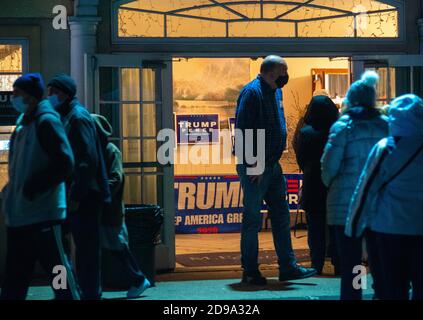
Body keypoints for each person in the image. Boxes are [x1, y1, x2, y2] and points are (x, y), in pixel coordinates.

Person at [235, 55, 316, 285]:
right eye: (284, 71)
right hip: (256, 167)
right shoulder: (252, 93)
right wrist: (255, 165)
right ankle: (250, 270)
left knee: (281, 216)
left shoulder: (276, 91)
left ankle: (288, 267)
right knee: (252, 219)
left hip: (272, 165)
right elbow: (243, 132)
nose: (286, 75)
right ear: (272, 73)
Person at [0, 73, 78, 300]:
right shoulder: (26, 122)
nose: (13, 98)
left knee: (58, 272)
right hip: (23, 215)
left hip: (43, 215)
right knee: (16, 276)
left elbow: (65, 162)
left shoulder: (46, 121)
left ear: (31, 97)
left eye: (17, 94)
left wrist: (33, 187)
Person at [346, 94, 423, 300]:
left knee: (392, 287)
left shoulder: (386, 148)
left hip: (389, 228)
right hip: (419, 228)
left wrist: (353, 228)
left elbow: (364, 190)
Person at [321, 71, 389, 300]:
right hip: (378, 205)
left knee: (352, 260)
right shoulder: (386, 126)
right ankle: (382, 293)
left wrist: (330, 184)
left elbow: (329, 167)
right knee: (379, 259)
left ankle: (354, 294)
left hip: (345, 205)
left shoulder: (343, 127)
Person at [47, 74, 111, 300]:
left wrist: (75, 194)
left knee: (86, 252)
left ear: (63, 93)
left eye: (52, 92)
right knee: (66, 249)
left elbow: (86, 160)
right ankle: (68, 291)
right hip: (74, 194)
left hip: (83, 196)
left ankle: (89, 293)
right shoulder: (67, 115)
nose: (49, 97)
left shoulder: (77, 117)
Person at [91, 114, 151, 299]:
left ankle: (138, 279)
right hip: (103, 209)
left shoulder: (110, 150)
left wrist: (96, 193)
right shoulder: (99, 150)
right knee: (108, 247)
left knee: (117, 246)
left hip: (110, 210)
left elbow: (116, 178)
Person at [295, 95, 340, 275]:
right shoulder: (337, 131)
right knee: (335, 227)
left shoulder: (305, 133)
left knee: (315, 228)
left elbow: (301, 158)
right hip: (334, 184)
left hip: (312, 182)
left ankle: (317, 264)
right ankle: (338, 262)